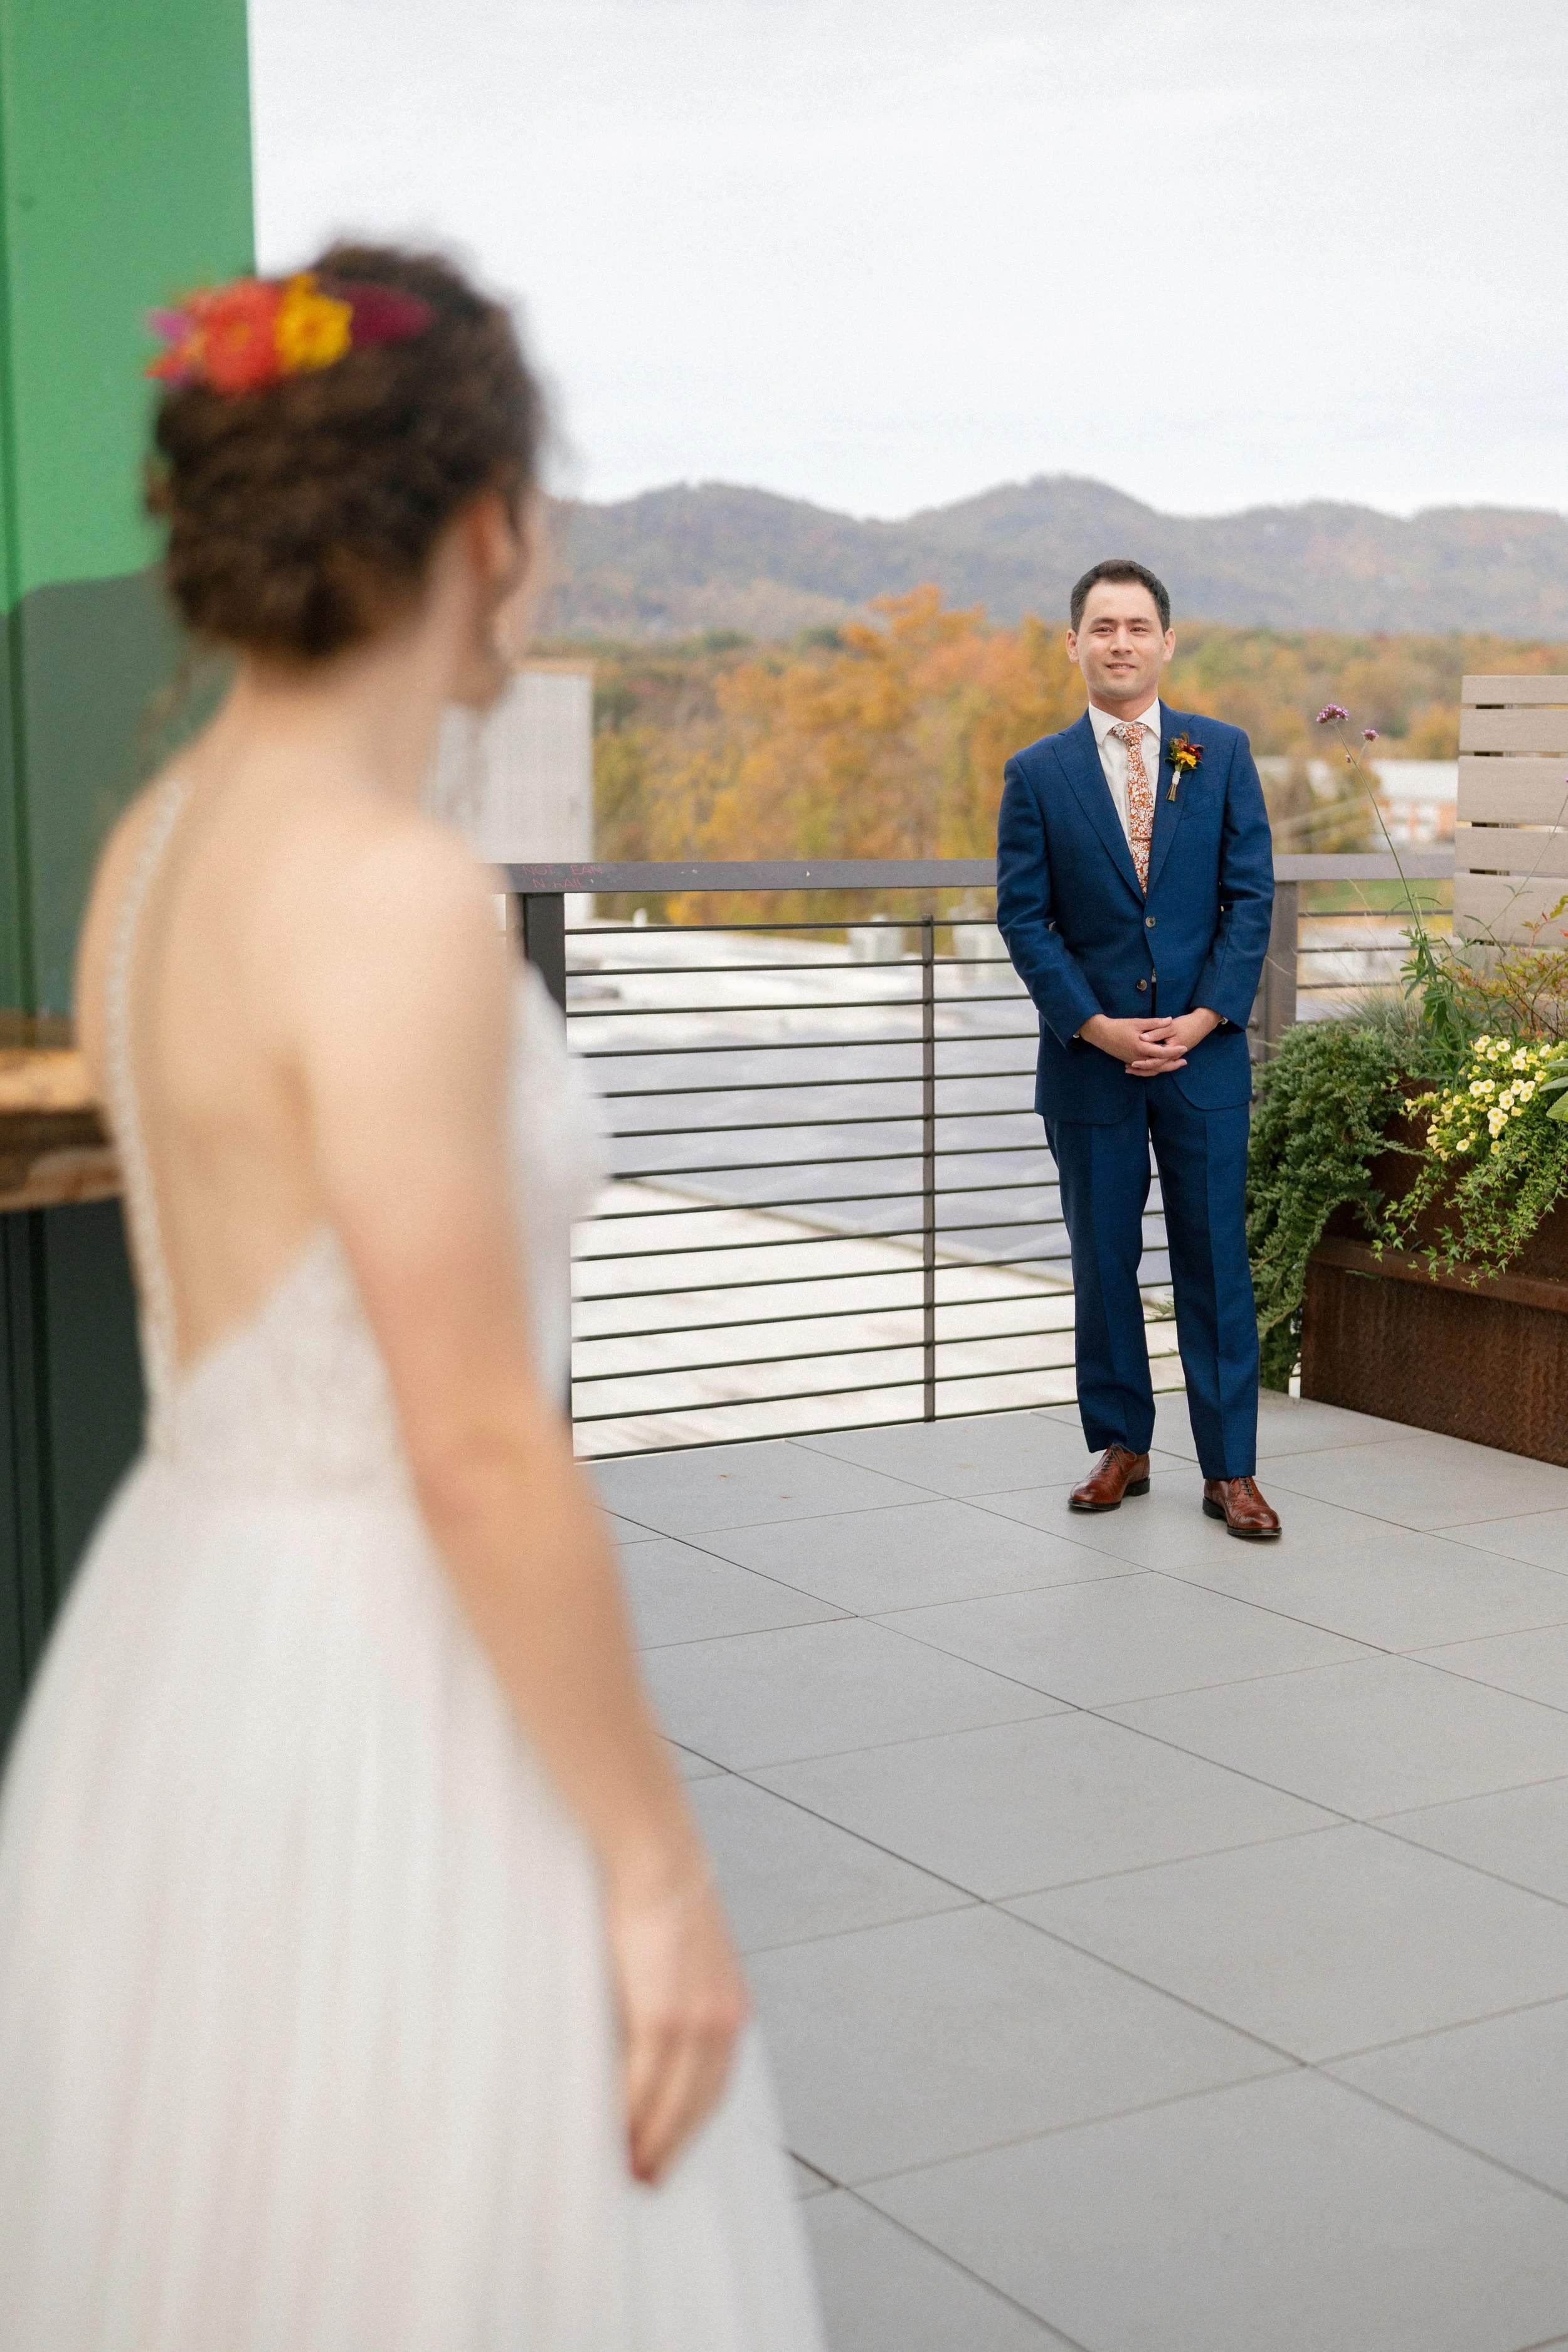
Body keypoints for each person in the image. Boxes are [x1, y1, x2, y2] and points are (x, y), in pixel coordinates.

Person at [0, 247, 824, 2349]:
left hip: (179, 1642)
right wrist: (656, 1867)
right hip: (383, 1678)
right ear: (486, 529)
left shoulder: (153, 848)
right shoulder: (394, 899)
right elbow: (471, 1442)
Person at [997, 559, 1282, 1539]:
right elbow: (1025, 919)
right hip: (1091, 1066)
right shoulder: (1036, 774)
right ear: (1071, 643)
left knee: (1215, 1264)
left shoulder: (1223, 752)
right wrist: (1094, 1023)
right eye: (1102, 626)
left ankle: (1231, 1469)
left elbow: (1250, 900)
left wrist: (1205, 1018)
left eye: (1138, 625)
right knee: (1104, 1263)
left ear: (1168, 640)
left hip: (1203, 1063)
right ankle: (1122, 1443)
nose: (1120, 641)